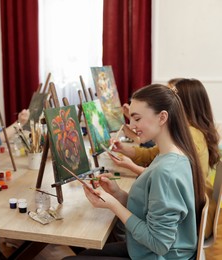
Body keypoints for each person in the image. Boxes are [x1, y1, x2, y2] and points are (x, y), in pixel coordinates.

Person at [64, 84, 206, 259]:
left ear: (162, 117)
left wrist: (113, 205)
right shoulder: (174, 155)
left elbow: (159, 244)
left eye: (137, 119)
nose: (131, 125)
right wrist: (117, 194)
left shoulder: (166, 172)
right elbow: (148, 211)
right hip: (148, 250)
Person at [109, 78, 220, 238]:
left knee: (116, 227)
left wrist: (114, 203)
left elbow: (159, 241)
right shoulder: (178, 142)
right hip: (174, 226)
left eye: (172, 95)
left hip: (180, 229)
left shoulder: (186, 142)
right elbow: (152, 154)